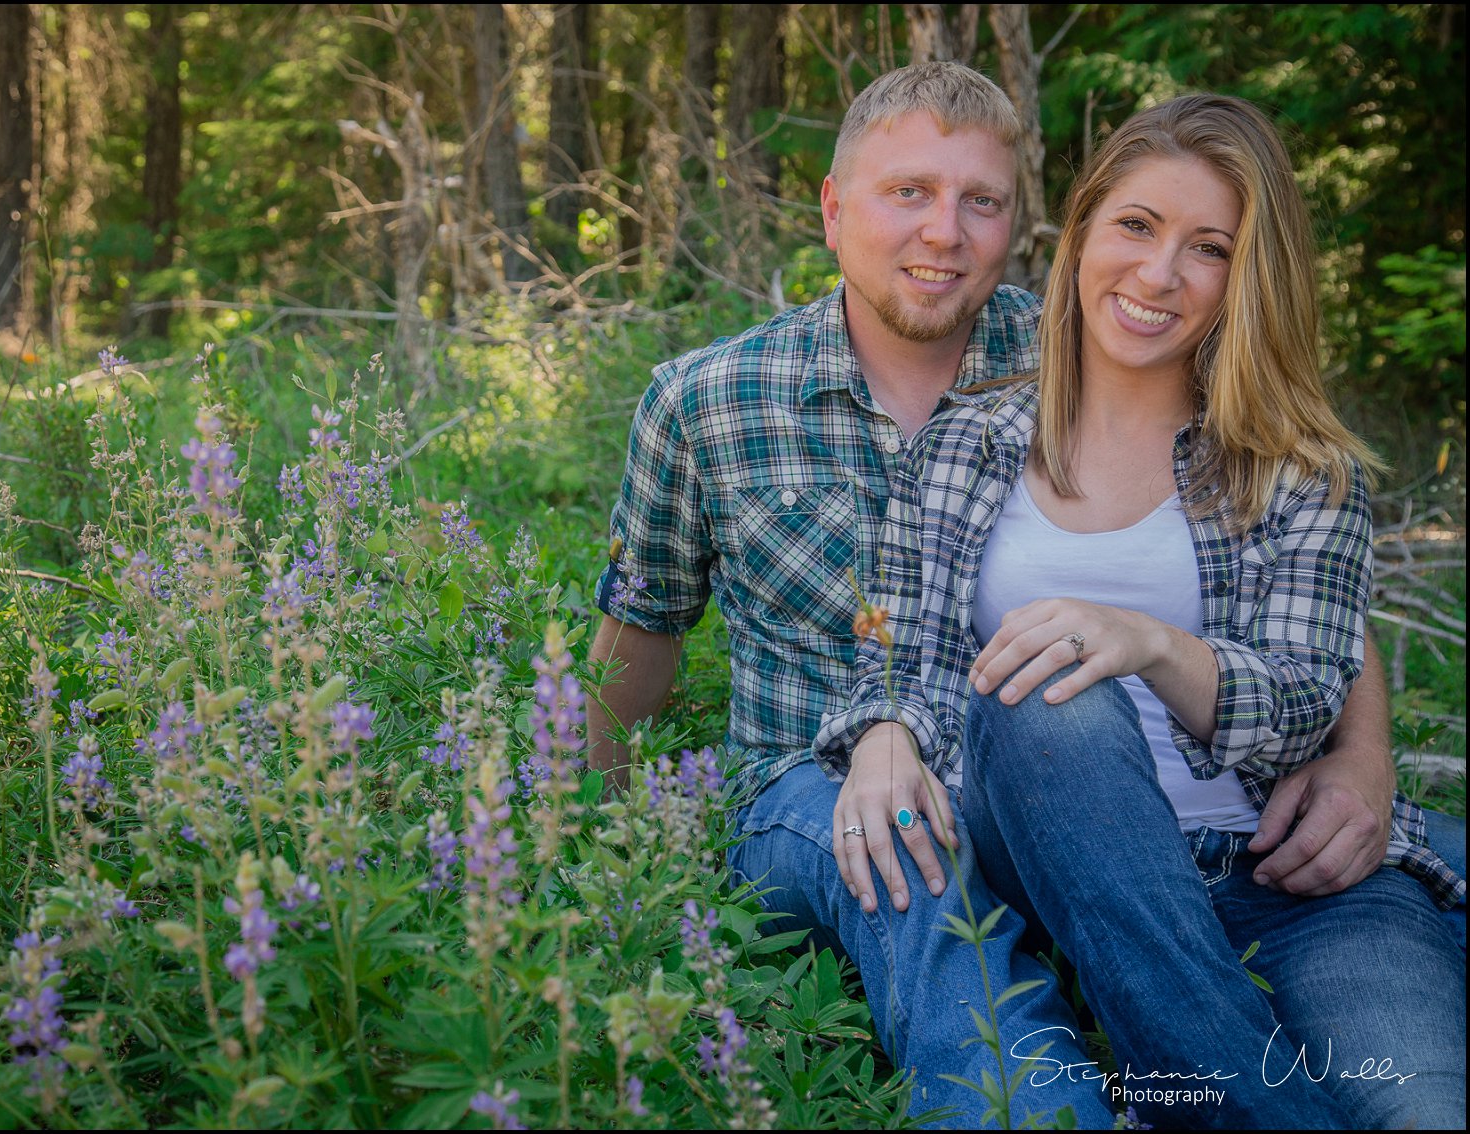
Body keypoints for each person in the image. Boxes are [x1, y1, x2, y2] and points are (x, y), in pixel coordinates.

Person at [589, 61, 1431, 1127]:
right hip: (812, 783)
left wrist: (1360, 756)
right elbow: (643, 626)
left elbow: (1302, 567)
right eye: (907, 193)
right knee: (910, 858)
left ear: (1024, 226)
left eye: (978, 201)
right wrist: (598, 845)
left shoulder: (1088, 338)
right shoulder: (706, 398)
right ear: (832, 207)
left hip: (1071, 796)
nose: (943, 232)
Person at [817, 93, 1465, 1129]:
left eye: (1206, 249)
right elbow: (903, 647)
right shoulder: (964, 441)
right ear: (1079, 234)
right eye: (1134, 226)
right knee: (1044, 698)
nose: (1158, 275)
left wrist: (1154, 647)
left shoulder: (1298, 474)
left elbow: (1307, 698)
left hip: (1285, 877)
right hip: (1063, 863)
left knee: (1420, 1111)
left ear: (1243, 280)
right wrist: (884, 727)